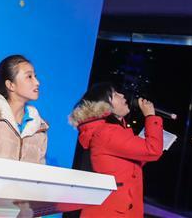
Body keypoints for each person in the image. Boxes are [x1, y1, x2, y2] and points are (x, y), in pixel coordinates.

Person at [69, 82, 163, 218]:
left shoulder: (114, 131)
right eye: (114, 94)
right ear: (104, 105)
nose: (122, 95)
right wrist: (150, 117)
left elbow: (131, 167)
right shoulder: (106, 133)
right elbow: (153, 150)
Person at [0, 55, 48, 163]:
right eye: (29, 77)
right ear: (10, 85)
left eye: (35, 76)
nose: (37, 82)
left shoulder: (39, 130)